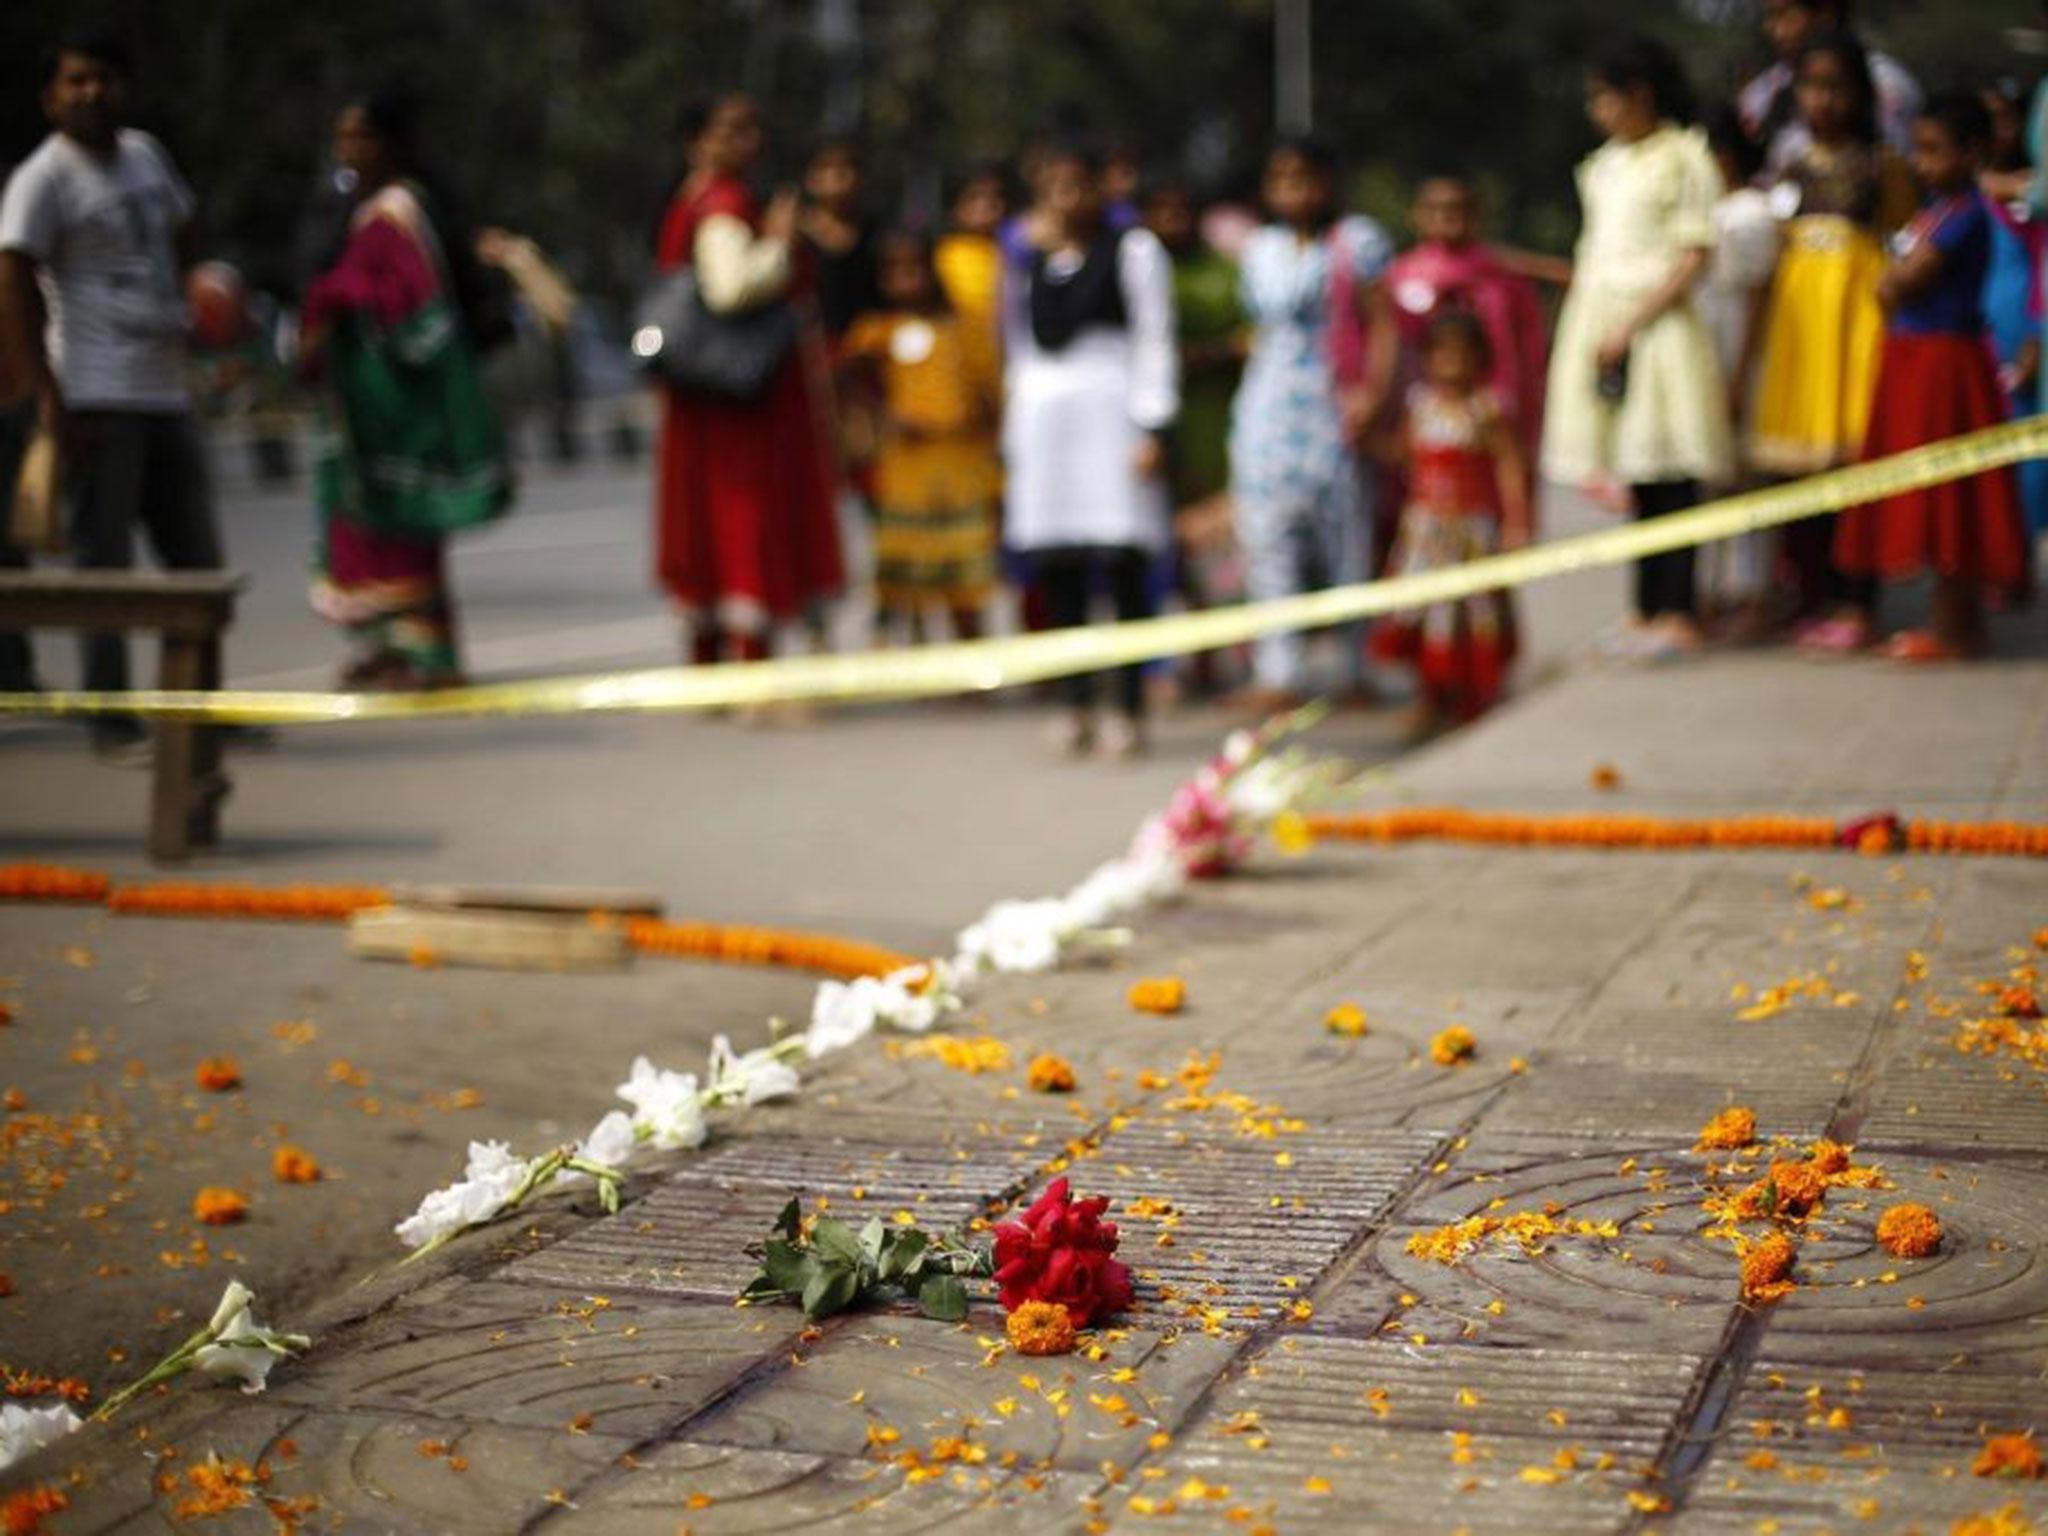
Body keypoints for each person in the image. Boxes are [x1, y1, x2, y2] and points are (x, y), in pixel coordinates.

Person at [0, 33, 219, 760]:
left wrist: (199, 299)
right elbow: (16, 283)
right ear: (50, 96)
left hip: (164, 391)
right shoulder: (42, 179)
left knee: (197, 562)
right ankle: (112, 718)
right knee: (105, 572)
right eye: (76, 80)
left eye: (105, 79)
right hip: (95, 392)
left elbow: (187, 232)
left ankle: (210, 710)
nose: (92, 92)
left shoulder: (146, 156)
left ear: (125, 87)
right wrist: (49, 399)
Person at [298, 90, 511, 690]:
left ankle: (428, 654)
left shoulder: (399, 212)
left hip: (398, 398)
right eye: (343, 137)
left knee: (405, 524)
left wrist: (340, 300)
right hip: (360, 402)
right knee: (364, 523)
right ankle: (384, 647)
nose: (351, 150)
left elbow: (415, 308)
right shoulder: (351, 208)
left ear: (393, 145)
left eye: (363, 137)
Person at [1542, 37, 1731, 659]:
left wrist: (1634, 320)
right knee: (1637, 474)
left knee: (1672, 473)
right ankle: (1645, 609)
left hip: (1659, 329)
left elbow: (1693, 254)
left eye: (1606, 96)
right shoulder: (1602, 166)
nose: (1599, 110)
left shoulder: (1683, 157)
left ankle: (1680, 608)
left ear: (1640, 94)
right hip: (1603, 323)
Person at [1835, 94, 2030, 661]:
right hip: (1916, 356)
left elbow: (1902, 281)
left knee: (1952, 501)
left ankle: (1955, 626)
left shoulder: (1964, 213)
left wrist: (1890, 279)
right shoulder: (1934, 211)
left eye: (1934, 151)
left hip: (1946, 363)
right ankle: (1946, 621)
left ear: (1970, 153)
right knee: (1933, 497)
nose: (1922, 163)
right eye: (1917, 150)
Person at [652, 94, 843, 667]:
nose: (747, 143)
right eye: (731, 131)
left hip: (706, 399)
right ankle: (751, 665)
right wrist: (780, 246)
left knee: (706, 524)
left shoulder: (691, 198)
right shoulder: (721, 203)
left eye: (752, 130)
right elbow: (729, 287)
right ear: (699, 141)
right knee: (743, 521)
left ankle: (709, 661)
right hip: (739, 401)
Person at [1002, 143, 1178, 759]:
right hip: (1048, 429)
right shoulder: (1032, 263)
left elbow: (1156, 340)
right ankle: (1074, 700)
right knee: (1061, 570)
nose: (1066, 199)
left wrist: (1153, 426)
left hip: (1112, 418)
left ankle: (1127, 705)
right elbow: (1021, 350)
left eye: (1077, 185)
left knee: (1122, 565)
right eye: (1053, 187)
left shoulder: (1133, 251)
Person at [1746, 32, 1915, 649]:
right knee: (1797, 475)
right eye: (1813, 87)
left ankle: (1856, 602)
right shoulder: (1788, 168)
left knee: (1854, 467)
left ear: (1860, 95)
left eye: (1836, 87)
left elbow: (1905, 242)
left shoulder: (1882, 165)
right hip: (1797, 330)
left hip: (1856, 328)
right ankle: (1808, 597)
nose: (1824, 100)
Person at [1227, 136, 1395, 710]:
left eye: (1305, 177)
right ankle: (1279, 671)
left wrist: (1372, 394)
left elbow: (1382, 322)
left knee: (1345, 538)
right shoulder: (1261, 248)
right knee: (1269, 538)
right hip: (1269, 408)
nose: (1293, 190)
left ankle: (1355, 668)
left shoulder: (1356, 242)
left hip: (1333, 403)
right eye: (1281, 179)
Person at [1372, 310, 1531, 731]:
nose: (1451, 364)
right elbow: (1402, 457)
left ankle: (1477, 698)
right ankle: (1430, 697)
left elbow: (1508, 465)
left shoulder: (1486, 410)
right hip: (1426, 534)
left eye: (1461, 355)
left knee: (1475, 616)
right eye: (1442, 355)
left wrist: (1516, 520)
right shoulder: (1420, 408)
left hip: (1472, 535)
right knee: (1424, 616)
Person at [840, 230, 1000, 643]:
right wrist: (878, 415)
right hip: (905, 471)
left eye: (915, 268)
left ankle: (972, 667)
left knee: (961, 578)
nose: (907, 280)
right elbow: (847, 379)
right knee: (908, 576)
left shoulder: (964, 327)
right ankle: (917, 659)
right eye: (894, 271)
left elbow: (990, 392)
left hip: (960, 467)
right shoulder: (876, 332)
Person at [1144, 177, 1244, 699]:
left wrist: (1210, 354)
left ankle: (1214, 659)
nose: (1171, 220)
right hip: (1149, 436)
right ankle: (1166, 664)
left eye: (1180, 209)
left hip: (1209, 427)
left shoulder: (1224, 273)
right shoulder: (1134, 267)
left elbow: (1247, 337)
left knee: (1211, 553)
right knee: (1160, 555)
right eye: (1159, 209)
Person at [1386, 176, 1549, 460]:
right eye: (1435, 208)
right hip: (1422, 415)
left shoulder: (1505, 277)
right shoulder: (1399, 276)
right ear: (1416, 216)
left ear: (1476, 215)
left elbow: (1530, 351)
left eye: (1456, 208)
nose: (1446, 216)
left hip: (1493, 413)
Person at [1696, 108, 1782, 638]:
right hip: (1707, 356)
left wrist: (1737, 378)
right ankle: (1709, 592)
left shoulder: (1750, 214)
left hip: (1740, 360)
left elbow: (1756, 300)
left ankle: (1753, 594)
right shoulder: (1706, 210)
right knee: (1709, 482)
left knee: (1749, 482)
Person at [1980, 81, 2048, 541]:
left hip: (2025, 336)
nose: (1999, 131)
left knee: (2031, 449)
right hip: (1984, 341)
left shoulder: (2030, 204)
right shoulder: (1965, 195)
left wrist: (2034, 339)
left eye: (2007, 118)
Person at [1738, 0, 1922, 166]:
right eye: (1768, 16)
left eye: (1782, 14)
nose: (1771, 27)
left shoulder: (1886, 87)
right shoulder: (1760, 95)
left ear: (1826, 13)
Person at [799, 139, 877, 344]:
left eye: (846, 167)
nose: (836, 175)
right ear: (809, 178)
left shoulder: (876, 235)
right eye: (825, 167)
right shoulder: (793, 232)